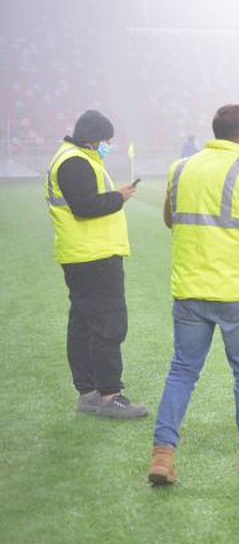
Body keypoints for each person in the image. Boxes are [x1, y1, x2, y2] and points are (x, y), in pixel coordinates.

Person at [147, 104, 239, 486]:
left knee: (183, 370)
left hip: (189, 288)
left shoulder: (180, 168)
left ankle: (163, 454)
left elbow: (171, 218)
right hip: (236, 292)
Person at [45, 109, 147, 419]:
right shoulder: (75, 161)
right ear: (92, 138)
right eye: (106, 140)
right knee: (107, 325)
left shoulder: (70, 157)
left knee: (83, 325)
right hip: (93, 256)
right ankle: (109, 395)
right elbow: (86, 206)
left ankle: (88, 393)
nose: (108, 146)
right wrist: (119, 197)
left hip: (83, 254)